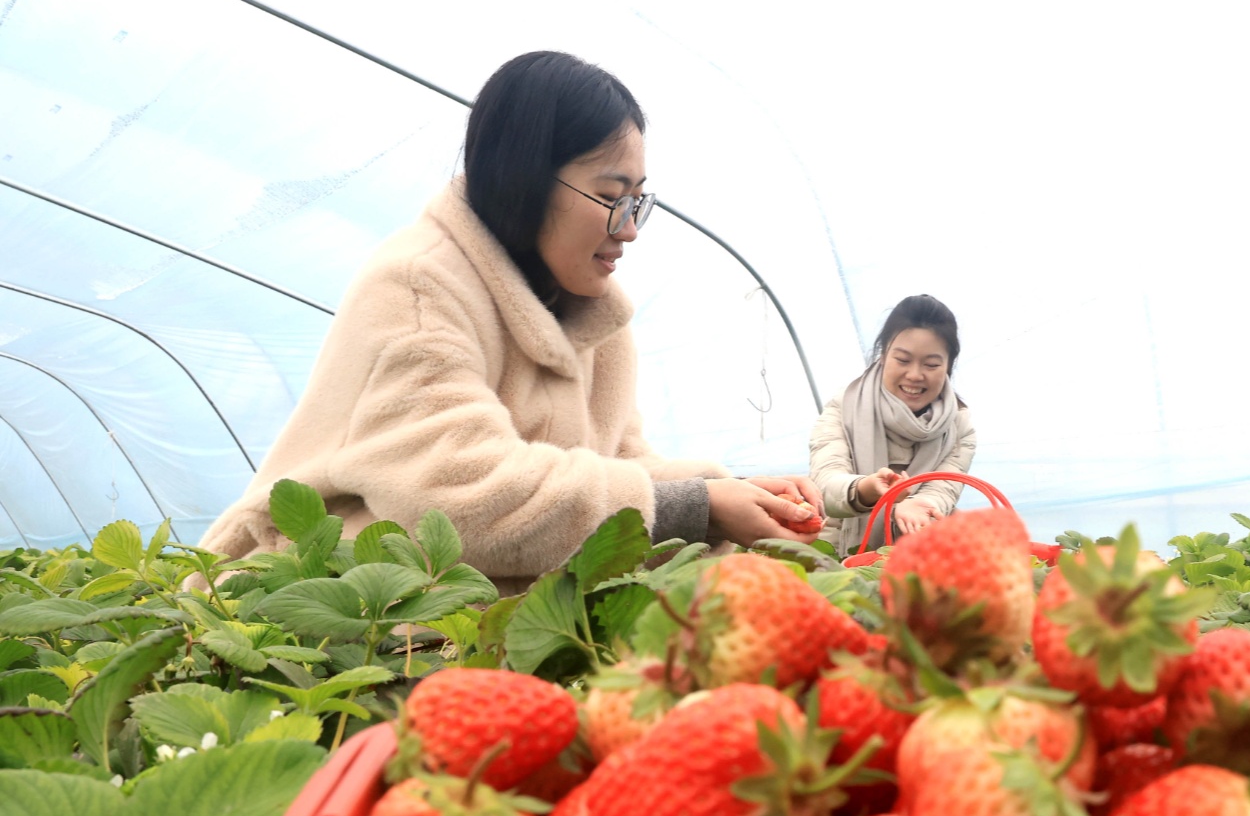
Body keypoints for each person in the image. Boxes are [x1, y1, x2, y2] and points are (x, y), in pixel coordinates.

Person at [197, 51, 819, 592]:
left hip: (466, 621)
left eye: (638, 201)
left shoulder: (592, 317)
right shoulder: (419, 286)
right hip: (344, 613)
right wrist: (700, 505)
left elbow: (621, 465)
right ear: (524, 179)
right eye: (610, 197)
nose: (629, 228)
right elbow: (459, 496)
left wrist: (736, 493)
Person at [809, 295, 976, 556]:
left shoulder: (959, 427)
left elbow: (942, 490)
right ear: (884, 354)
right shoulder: (844, 407)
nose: (914, 375)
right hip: (835, 554)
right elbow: (825, 483)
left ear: (948, 366)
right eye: (903, 360)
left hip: (918, 556)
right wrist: (865, 490)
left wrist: (918, 504)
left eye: (931, 364)